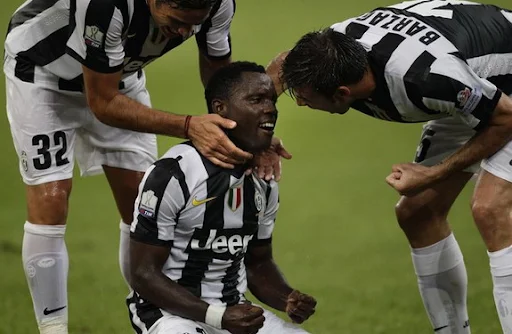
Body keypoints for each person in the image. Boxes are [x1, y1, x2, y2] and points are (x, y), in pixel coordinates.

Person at [4, 0, 290, 332]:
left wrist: (246, 137)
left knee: (143, 203)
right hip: (42, 72)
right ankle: (53, 329)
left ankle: (152, 318)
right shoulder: (104, 5)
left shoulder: (218, 3)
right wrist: (187, 125)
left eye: (193, 25)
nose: (184, 32)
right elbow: (102, 101)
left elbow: (221, 82)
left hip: (118, 76)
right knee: (51, 200)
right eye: (178, 20)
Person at [271, 1, 512, 333]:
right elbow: (283, 64)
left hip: (502, 98)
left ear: (342, 94)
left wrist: (434, 173)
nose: (299, 101)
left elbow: (505, 118)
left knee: (491, 208)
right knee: (416, 212)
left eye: (306, 96)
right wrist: (261, 137)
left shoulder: (426, 78)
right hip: (475, 85)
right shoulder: (330, 52)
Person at [128, 61, 316, 334]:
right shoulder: (174, 174)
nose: (270, 109)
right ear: (220, 109)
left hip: (235, 312)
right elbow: (143, 274)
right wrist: (218, 317)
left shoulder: (264, 180)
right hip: (168, 315)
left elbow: (258, 263)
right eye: (256, 99)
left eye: (271, 100)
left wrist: (287, 298)